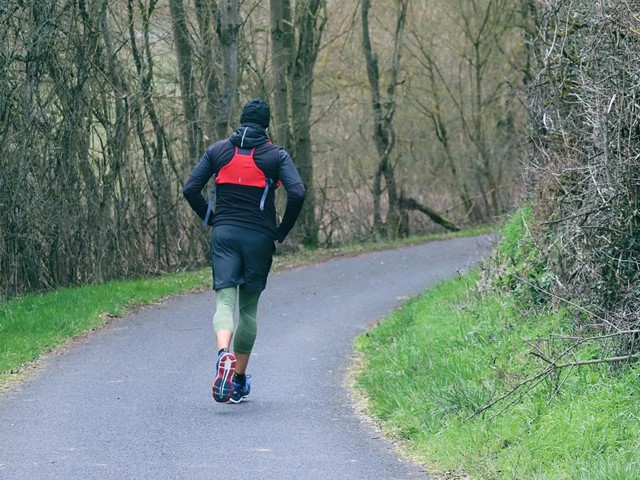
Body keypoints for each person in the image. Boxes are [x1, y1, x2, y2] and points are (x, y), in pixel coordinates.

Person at [183, 98, 305, 403]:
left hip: (224, 234)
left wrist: (211, 218)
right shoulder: (276, 155)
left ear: (241, 121)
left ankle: (223, 353)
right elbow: (297, 191)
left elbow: (189, 188)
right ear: (266, 125)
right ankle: (237, 380)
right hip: (259, 238)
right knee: (248, 311)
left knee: (224, 302)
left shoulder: (219, 150)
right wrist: (282, 230)